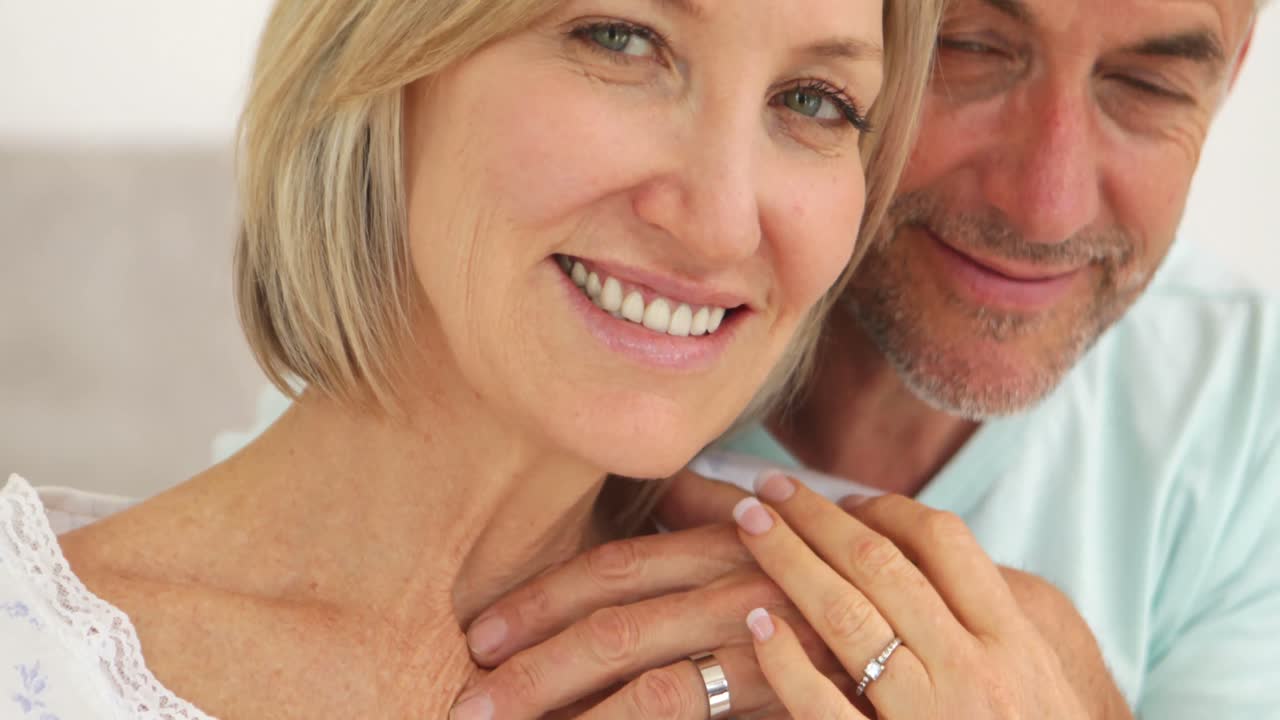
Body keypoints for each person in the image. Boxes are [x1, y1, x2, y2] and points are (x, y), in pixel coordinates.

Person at [0, 0, 943, 718]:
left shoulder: (898, 658)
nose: (722, 224)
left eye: (814, 102)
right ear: (387, 55)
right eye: (622, 39)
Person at [440, 0, 1280, 718]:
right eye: (970, 49)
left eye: (1148, 86)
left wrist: (1073, 688)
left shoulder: (1245, 405)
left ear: (1230, 76)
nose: (1046, 208)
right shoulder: (533, 302)